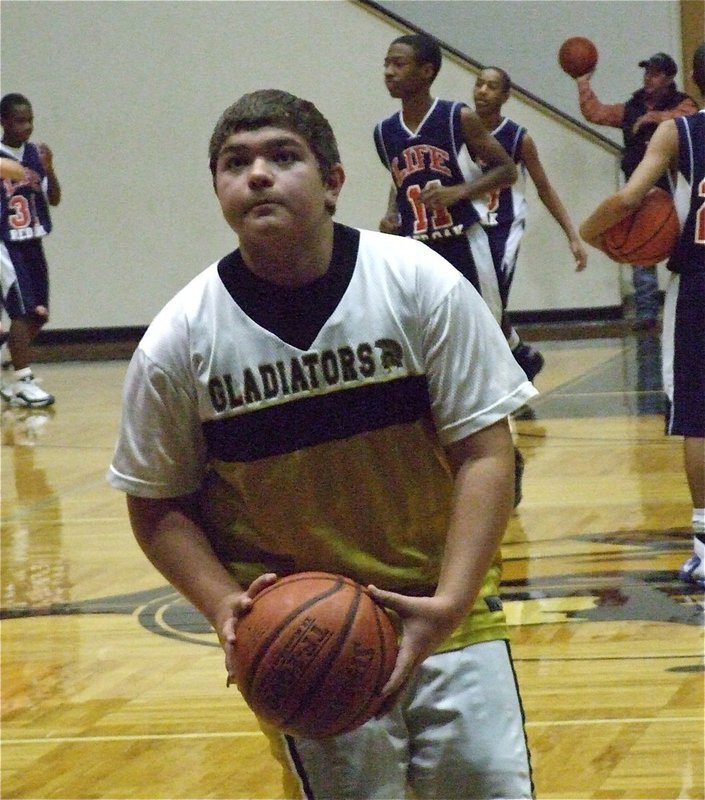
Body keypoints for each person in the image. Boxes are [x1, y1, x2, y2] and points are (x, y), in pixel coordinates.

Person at [108, 89, 537, 799]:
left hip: (443, 604)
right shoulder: (177, 341)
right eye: (234, 163)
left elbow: (484, 452)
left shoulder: (418, 283)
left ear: (334, 181)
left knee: (487, 787)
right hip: (306, 635)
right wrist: (225, 608)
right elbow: (158, 504)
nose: (257, 175)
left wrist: (454, 597)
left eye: (283, 156)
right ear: (216, 188)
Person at [580, 43, 705, 590]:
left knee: (700, 419)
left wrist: (586, 232)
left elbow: (631, 199)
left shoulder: (681, 133)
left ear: (695, 80)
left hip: (700, 284)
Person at [373, 34, 548, 382]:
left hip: (463, 241)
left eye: (399, 64)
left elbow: (507, 170)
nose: (389, 72)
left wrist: (461, 192)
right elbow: (399, 181)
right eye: (386, 64)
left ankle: (506, 394)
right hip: (418, 249)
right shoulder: (383, 132)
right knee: (428, 332)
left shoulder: (457, 117)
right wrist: (392, 214)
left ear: (426, 71)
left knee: (485, 327)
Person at [473, 65, 588, 374]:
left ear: (505, 96)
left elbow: (545, 189)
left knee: (490, 300)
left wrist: (572, 236)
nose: (483, 90)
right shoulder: (458, 130)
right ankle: (522, 356)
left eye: (492, 86)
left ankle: (500, 372)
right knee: (477, 298)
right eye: (479, 84)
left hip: (503, 226)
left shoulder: (517, 138)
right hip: (470, 224)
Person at [574, 52, 698, 332]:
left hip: (677, 189)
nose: (648, 78)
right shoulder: (632, 106)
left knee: (686, 249)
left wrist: (657, 117)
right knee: (641, 249)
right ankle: (646, 312)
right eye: (646, 72)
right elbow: (596, 112)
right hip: (640, 189)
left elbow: (690, 116)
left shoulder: (682, 104)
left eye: (654, 73)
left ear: (669, 78)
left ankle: (684, 305)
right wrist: (582, 82)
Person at [0, 93, 61, 407]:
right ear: (4, 122)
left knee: (39, 313)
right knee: (21, 312)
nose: (27, 126)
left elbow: (54, 200)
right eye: (19, 121)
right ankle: (22, 379)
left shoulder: (37, 154)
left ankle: (7, 367)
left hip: (33, 240)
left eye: (30, 120)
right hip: (5, 243)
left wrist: (49, 169)